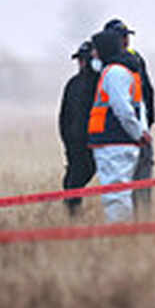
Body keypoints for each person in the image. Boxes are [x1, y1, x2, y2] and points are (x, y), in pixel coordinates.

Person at [87, 29, 152, 222]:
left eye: (96, 49)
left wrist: (138, 133)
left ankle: (119, 237)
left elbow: (123, 109)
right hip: (118, 141)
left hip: (114, 141)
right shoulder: (122, 71)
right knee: (119, 193)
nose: (93, 54)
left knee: (116, 196)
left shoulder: (115, 72)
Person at [104, 18, 155, 216]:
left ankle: (142, 219)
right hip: (117, 134)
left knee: (142, 180)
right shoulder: (108, 65)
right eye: (121, 37)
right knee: (120, 186)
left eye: (127, 36)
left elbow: (147, 93)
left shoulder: (136, 58)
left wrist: (147, 125)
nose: (126, 41)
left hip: (139, 128)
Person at [58, 40, 98, 216]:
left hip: (95, 141)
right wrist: (68, 142)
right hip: (76, 144)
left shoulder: (100, 82)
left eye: (84, 59)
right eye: (79, 60)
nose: (80, 64)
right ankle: (73, 215)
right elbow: (64, 116)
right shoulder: (73, 83)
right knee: (72, 182)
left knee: (79, 178)